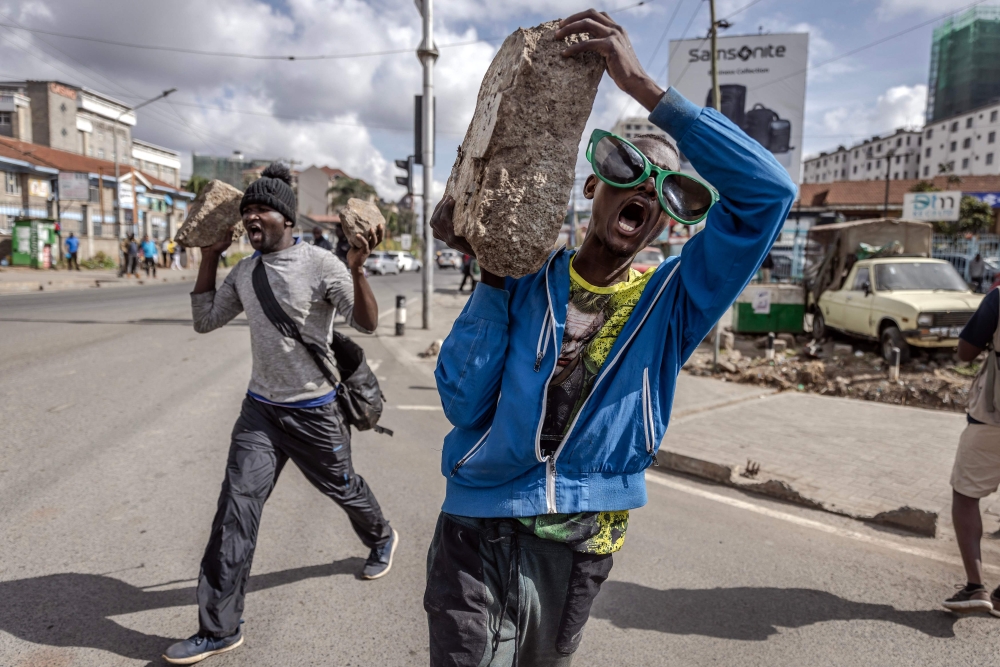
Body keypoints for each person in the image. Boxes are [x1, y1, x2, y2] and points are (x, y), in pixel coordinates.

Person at [423, 10, 796, 665]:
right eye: (628, 167)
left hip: (582, 535)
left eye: (670, 189)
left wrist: (648, 90)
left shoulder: (671, 302)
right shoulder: (523, 278)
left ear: (669, 222)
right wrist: (488, 276)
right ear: (593, 184)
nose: (646, 191)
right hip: (477, 524)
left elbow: (770, 194)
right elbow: (461, 402)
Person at [163, 163, 397, 665]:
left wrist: (356, 268)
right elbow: (205, 321)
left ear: (286, 219)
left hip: (315, 411)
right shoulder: (244, 272)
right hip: (261, 413)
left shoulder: (322, 265)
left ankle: (381, 536)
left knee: (344, 487)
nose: (251, 217)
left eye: (260, 209)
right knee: (235, 514)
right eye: (245, 211)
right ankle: (219, 628)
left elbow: (369, 323)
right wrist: (209, 256)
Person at [942, 284, 1000, 615]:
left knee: (965, 495)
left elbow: (966, 351)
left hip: (992, 416)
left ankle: (975, 587)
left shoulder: (999, 298)